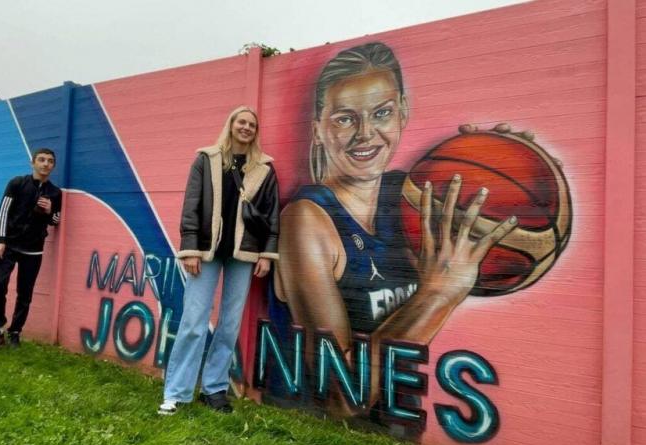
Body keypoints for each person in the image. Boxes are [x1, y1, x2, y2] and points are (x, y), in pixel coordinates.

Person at [275, 42, 517, 416]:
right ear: (318, 129)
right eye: (344, 118)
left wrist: (509, 167)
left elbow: (501, 241)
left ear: (403, 112)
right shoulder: (307, 219)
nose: (365, 133)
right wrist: (436, 294)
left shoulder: (415, 195)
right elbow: (342, 396)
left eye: (382, 113)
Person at [158, 106, 280, 415]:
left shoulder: (264, 168)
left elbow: (271, 214)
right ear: (231, 124)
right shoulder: (206, 159)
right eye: (241, 121)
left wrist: (267, 254)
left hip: (244, 254)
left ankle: (214, 389)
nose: (246, 127)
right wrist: (190, 249)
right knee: (193, 323)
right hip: (205, 252)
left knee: (229, 325)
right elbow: (191, 205)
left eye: (252, 124)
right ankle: (176, 392)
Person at [0, 148, 62, 349]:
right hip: (8, 245)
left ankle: (15, 333)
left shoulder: (55, 192)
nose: (46, 164)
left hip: (33, 249)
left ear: (53, 166)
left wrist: (49, 211)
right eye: (42, 160)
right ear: (33, 162)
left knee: (25, 293)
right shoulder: (17, 183)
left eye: (50, 161)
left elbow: (55, 221)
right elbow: (3, 211)